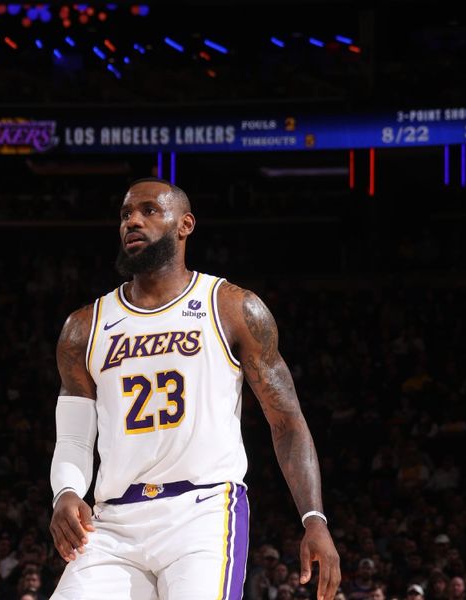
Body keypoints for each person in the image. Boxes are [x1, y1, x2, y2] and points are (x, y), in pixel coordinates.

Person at [48, 178, 340, 600]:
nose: (133, 221)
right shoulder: (83, 327)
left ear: (185, 225)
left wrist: (314, 518)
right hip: (112, 521)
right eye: (126, 214)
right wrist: (67, 491)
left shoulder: (231, 307)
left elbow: (287, 422)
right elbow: (74, 436)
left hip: (201, 512)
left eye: (149, 211)